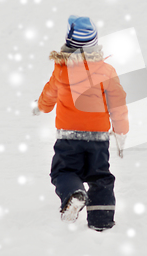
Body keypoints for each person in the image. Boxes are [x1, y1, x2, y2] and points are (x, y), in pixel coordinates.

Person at [33, 15, 129, 230]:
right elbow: (118, 102)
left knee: (64, 171)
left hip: (69, 136)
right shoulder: (107, 71)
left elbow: (49, 93)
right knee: (100, 176)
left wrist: (42, 106)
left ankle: (73, 194)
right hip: (98, 137)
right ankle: (101, 220)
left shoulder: (61, 69)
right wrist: (121, 129)